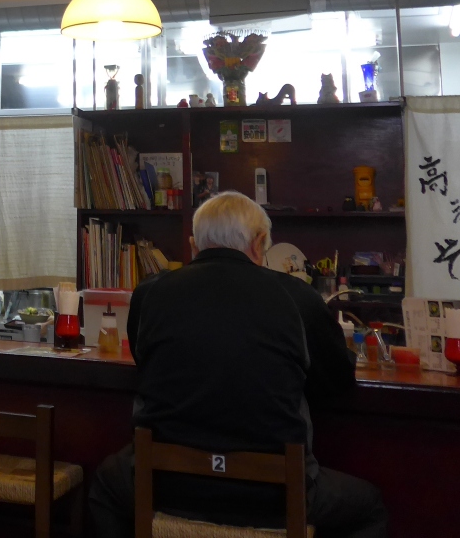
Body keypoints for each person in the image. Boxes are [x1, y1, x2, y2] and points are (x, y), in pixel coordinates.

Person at [89, 191, 387, 538]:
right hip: (274, 495)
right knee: (370, 508)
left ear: (194, 245)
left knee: (105, 485)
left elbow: (147, 364)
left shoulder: (149, 293)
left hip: (165, 485)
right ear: (259, 243)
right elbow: (337, 382)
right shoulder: (298, 297)